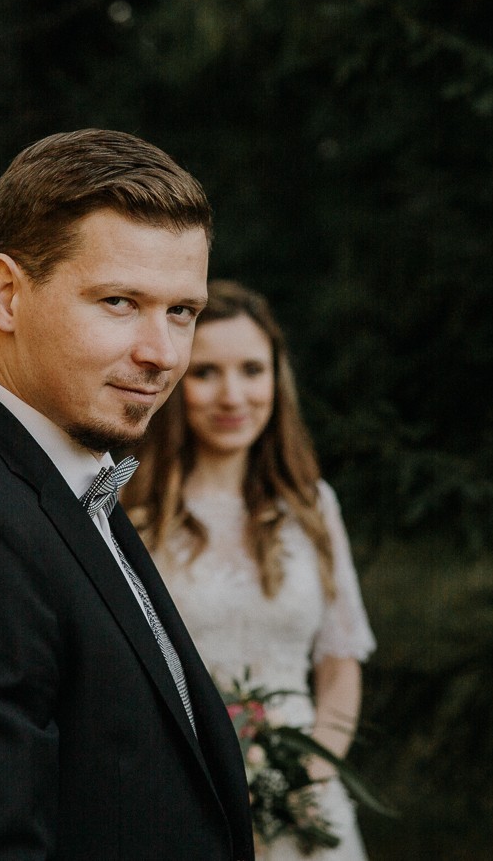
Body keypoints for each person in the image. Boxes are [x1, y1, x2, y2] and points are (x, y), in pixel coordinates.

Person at [0, 130, 255, 860]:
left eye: (181, 312)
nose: (161, 353)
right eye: (120, 302)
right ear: (7, 294)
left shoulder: (65, 483)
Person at [123, 280, 377, 861]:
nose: (232, 395)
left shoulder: (312, 507)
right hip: (180, 801)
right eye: (206, 373)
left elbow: (339, 663)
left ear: (276, 381)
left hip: (302, 804)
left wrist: (306, 776)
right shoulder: (132, 514)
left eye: (252, 370)